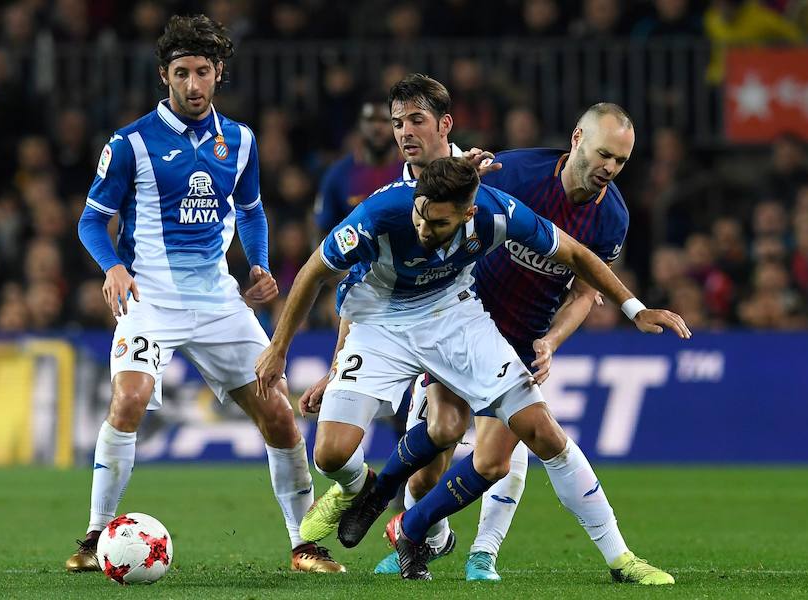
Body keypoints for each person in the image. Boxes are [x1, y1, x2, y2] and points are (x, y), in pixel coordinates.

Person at [255, 156, 691, 581]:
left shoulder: (498, 214)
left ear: (468, 214)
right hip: (379, 321)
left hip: (452, 318)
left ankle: (619, 558)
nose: (424, 229)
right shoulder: (380, 213)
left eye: (438, 223)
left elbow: (576, 255)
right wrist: (279, 348)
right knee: (331, 454)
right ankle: (364, 488)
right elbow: (313, 272)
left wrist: (635, 310)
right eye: (421, 216)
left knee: (539, 430)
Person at [67, 14, 343, 575]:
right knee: (128, 400)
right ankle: (95, 538)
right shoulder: (130, 143)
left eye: (203, 72)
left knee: (281, 418)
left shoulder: (239, 141)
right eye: (182, 73)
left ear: (219, 74)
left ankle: (305, 543)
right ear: (164, 76)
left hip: (221, 303)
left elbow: (251, 210)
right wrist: (114, 267)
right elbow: (92, 222)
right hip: (150, 299)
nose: (193, 85)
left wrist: (261, 263)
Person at [314, 95, 405, 235]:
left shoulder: (413, 169)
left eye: (384, 120)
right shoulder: (338, 174)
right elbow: (322, 229)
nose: (377, 127)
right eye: (370, 120)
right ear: (359, 124)